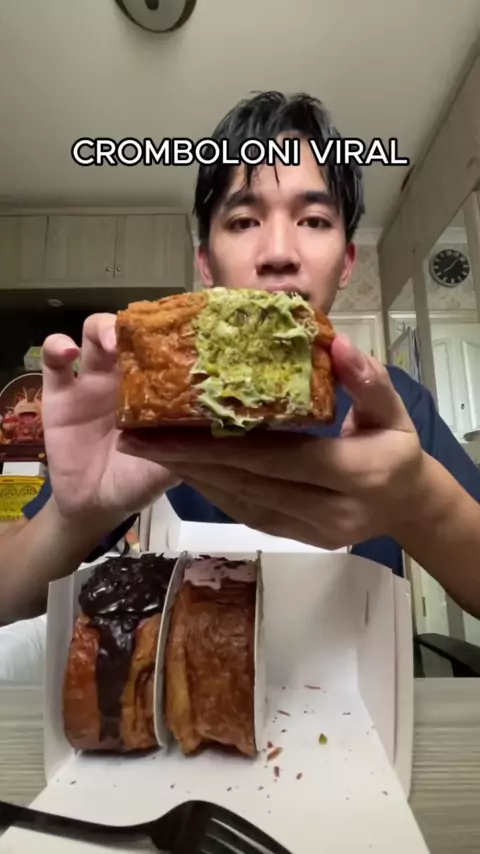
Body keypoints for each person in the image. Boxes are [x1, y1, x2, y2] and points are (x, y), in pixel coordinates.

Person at [2, 90, 480, 626]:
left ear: (347, 263)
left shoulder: (399, 407)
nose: (278, 253)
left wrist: (420, 501)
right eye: (244, 221)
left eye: (313, 220)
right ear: (206, 263)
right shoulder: (149, 413)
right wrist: (73, 518)